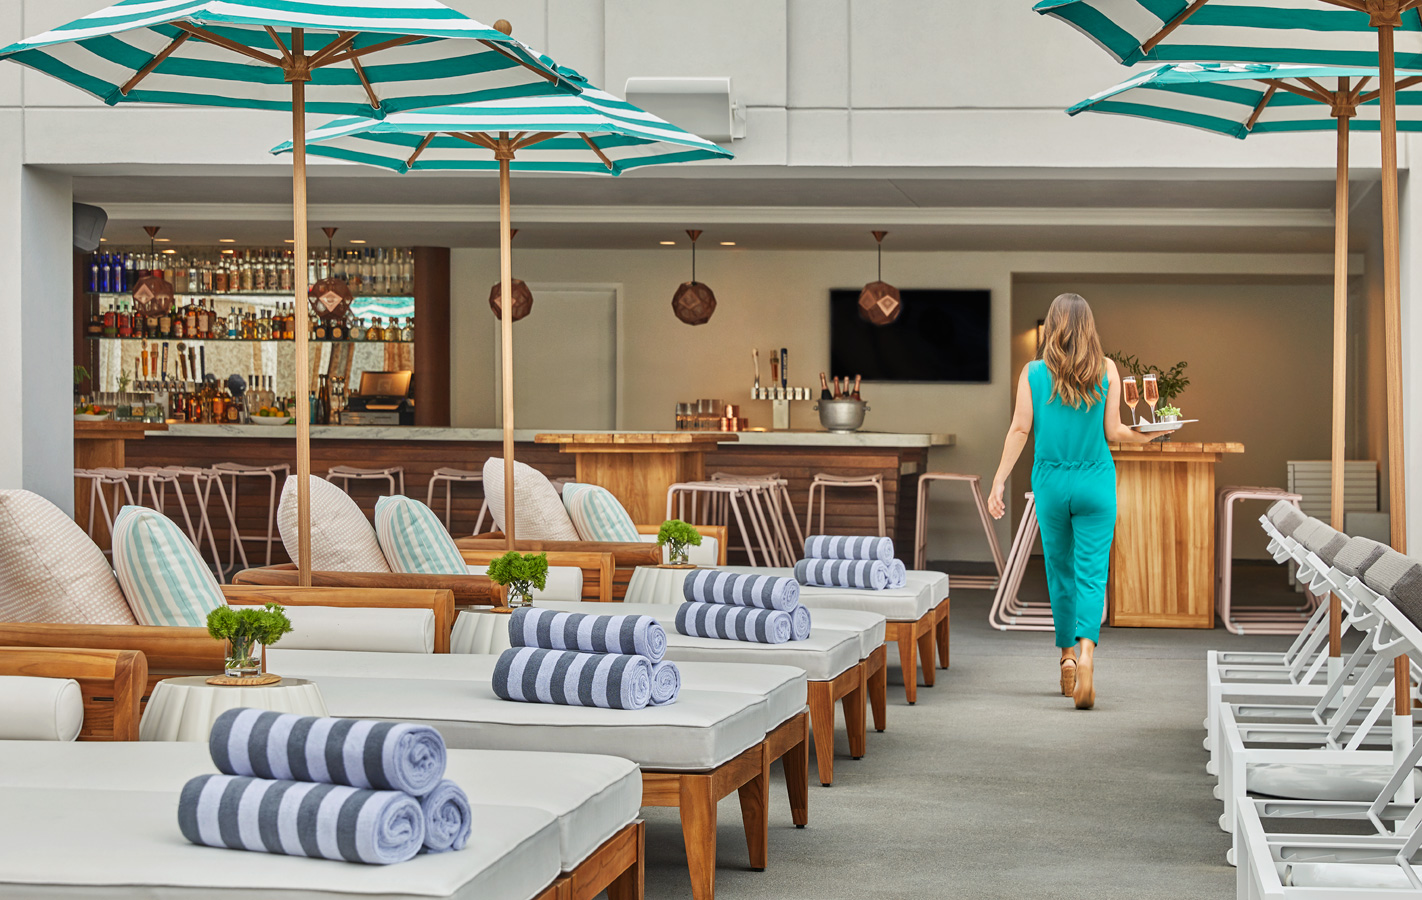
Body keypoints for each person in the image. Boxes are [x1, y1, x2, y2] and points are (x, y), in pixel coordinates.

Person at [986, 293, 1153, 709]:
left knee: (1060, 572)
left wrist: (999, 481)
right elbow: (1115, 432)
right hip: (1096, 480)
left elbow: (1020, 430)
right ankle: (1087, 655)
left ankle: (1064, 657)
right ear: (1089, 327)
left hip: (1051, 483)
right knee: (1092, 574)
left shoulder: (1033, 372)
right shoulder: (1107, 370)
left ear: (1053, 327)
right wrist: (1147, 436)